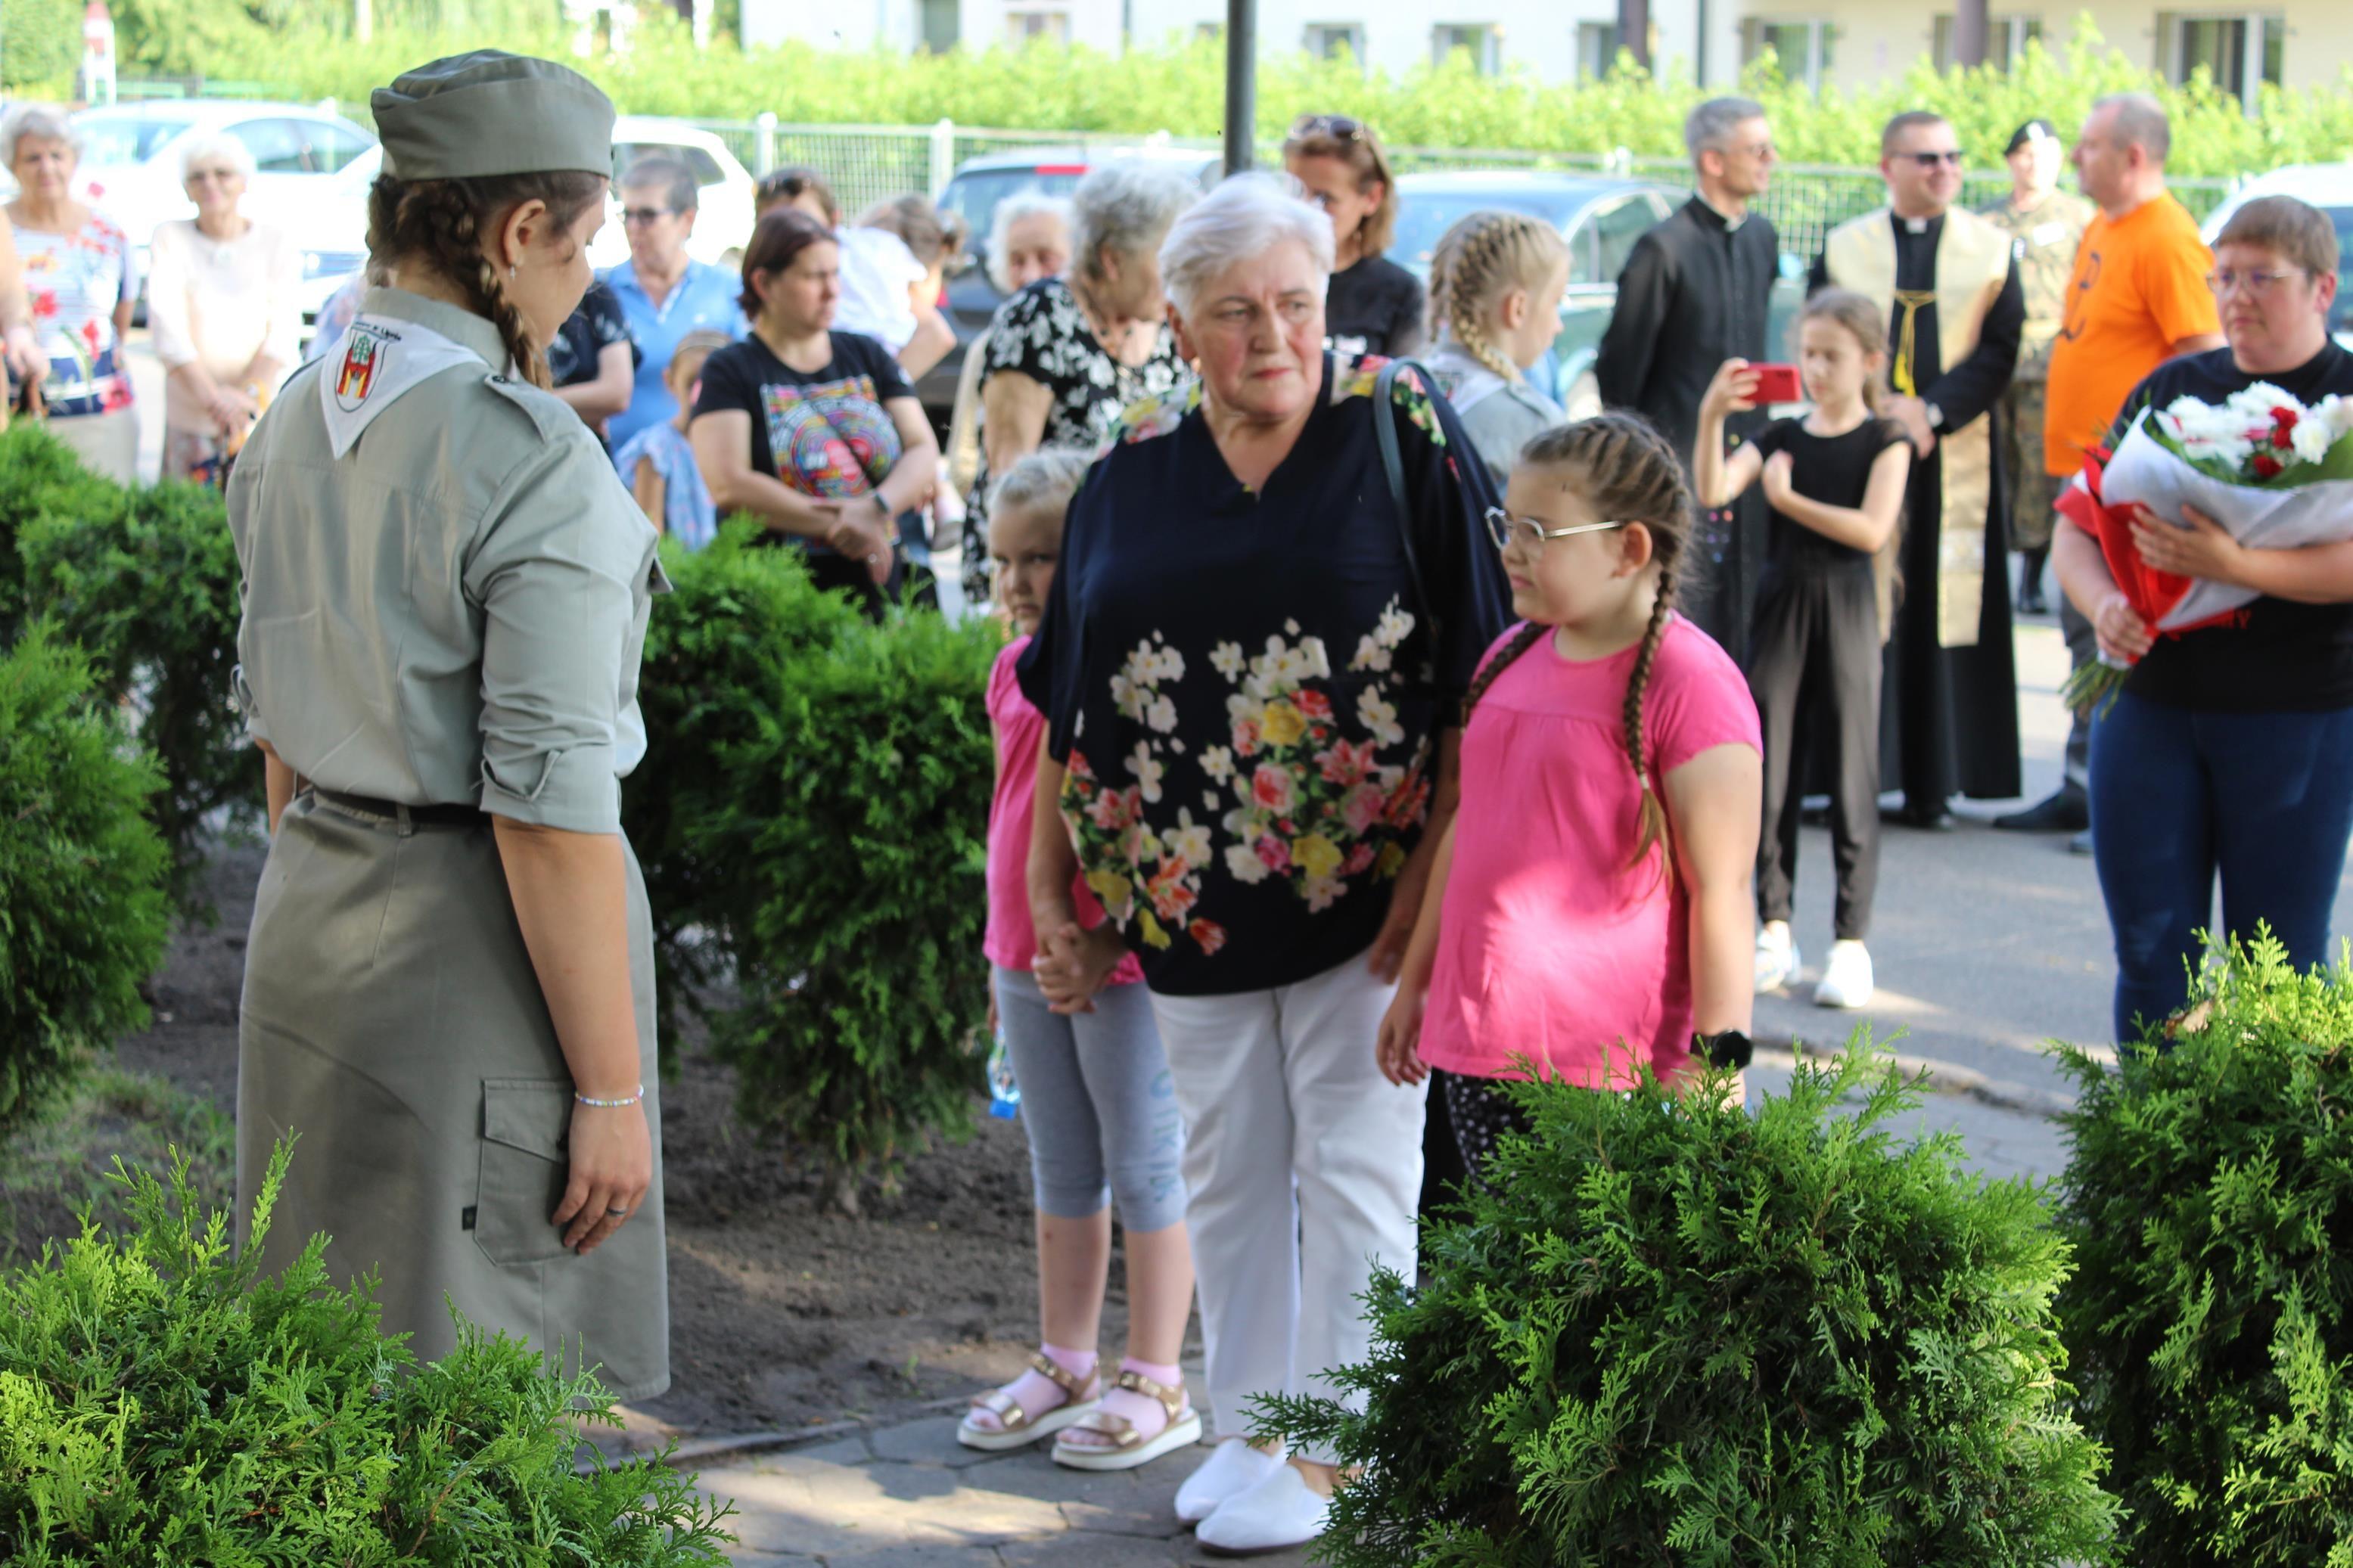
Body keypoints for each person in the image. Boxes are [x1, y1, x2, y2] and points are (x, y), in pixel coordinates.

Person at [1018, 174, 1509, 1554]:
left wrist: (1431, 887)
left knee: (1357, 1171)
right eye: (1236, 312)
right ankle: (1255, 1428)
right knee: (1229, 1166)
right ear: (1180, 322)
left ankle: (1349, 1454)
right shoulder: (1130, 469)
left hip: (1370, 898)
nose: (1274, 336)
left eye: (1296, 304)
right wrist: (1059, 896)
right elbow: (1070, 699)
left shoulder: (1398, 426)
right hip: (1186, 901)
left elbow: (1483, 674)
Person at [225, 51, 667, 1399]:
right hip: (473, 967)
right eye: (583, 239)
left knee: (318, 1399)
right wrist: (609, 1089)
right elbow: (546, 810)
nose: (585, 274)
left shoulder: (292, 417)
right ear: (516, 231)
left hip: (311, 929)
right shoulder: (529, 457)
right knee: (471, 1420)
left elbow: (281, 746)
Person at [1377, 413, 1763, 1176]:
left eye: (1536, 531)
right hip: (1479, 1046)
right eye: (1505, 522)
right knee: (1490, 1277)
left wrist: (1717, 1065)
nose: (1508, 551)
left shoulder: (1691, 685)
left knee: (1584, 1285)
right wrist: (1414, 984)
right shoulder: (1505, 655)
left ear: (1629, 547)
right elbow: (1468, 831)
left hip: (1606, 1068)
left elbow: (1720, 891)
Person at [2051, 196, 2353, 1042]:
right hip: (2148, 704)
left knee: (2281, 967)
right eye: (2222, 277)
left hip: (2297, 712)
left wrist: (2235, 567)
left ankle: (2280, 1170)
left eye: (2262, 277)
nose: (2235, 297)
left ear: (2321, 287)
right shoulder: (2171, 387)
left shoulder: (2345, 400)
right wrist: (2103, 605)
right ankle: (2152, 1160)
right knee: (2152, 957)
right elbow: (2073, 528)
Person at [956, 448, 1199, 1473]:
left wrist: (1106, 939)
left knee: (1145, 1166)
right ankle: (1066, 1359)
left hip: (1117, 968)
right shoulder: (1010, 669)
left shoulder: (1124, 674)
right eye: (1005, 559)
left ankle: (1158, 1375)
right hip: (1020, 948)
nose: (1019, 581)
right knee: (1060, 1164)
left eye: (1044, 557)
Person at [2007, 94, 2223, 847]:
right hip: (2082, 470)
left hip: (2129, 484)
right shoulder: (2103, 225)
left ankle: (2122, 799)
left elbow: (2200, 355)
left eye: (2090, 146)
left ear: (2132, 157)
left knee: (2116, 637)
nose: (2073, 158)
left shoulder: (2165, 238)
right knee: (2082, 632)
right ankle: (2080, 785)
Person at [1696, 291, 1913, 1011]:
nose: (1816, 368)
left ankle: (1850, 941)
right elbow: (1713, 487)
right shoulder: (1782, 432)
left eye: (1832, 355)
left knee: (1854, 771)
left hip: (1848, 602)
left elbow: (1872, 530)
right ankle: (1775, 926)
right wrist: (1713, 415)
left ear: (1870, 361)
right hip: (1782, 602)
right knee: (1769, 770)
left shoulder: (1887, 438)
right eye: (1808, 353)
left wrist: (1788, 504)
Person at [1811, 110, 2025, 831]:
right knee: (1856, 603)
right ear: (1888, 166)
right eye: (1927, 158)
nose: (1944, 170)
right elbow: (1822, 335)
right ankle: (1848, 777)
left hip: (1949, 454)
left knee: (1939, 607)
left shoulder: (1992, 250)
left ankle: (1934, 781)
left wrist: (1928, 413)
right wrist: (1872, 410)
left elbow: (2001, 350)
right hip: (1861, 449)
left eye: (1954, 158)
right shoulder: (1845, 248)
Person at [962, 162, 1195, 607]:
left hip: (1125, 567)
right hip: (1042, 573)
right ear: (1112, 260)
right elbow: (1010, 470)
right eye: (1166, 259)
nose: (1177, 276)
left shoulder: (1163, 326)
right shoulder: (1039, 315)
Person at [1597, 97, 1782, 658]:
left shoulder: (1762, 237)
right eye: (1758, 149)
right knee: (1686, 610)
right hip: (1678, 464)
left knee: (1747, 607)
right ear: (1713, 161)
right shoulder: (1664, 248)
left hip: (1745, 461)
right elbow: (1621, 369)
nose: (1771, 160)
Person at [690, 207, 940, 619]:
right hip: (777, 598)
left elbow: (922, 447)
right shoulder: (730, 369)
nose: (832, 291)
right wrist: (846, 522)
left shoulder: (866, 354)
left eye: (835, 274)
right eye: (813, 277)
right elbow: (729, 484)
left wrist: (875, 510)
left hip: (879, 589)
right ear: (764, 283)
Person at [1978, 119, 2094, 619]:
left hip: (2049, 362)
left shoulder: (2079, 218)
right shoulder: (1986, 222)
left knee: (2038, 473)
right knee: (1993, 467)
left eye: (2043, 154)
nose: (2033, 164)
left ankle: (2031, 575)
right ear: (2010, 161)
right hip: (1994, 360)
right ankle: (1994, 574)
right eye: (2024, 154)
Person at [146, 132, 303, 485]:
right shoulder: (170, 238)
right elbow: (168, 331)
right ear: (186, 189)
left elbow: (283, 329)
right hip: (193, 417)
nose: (210, 183)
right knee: (189, 527)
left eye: (222, 173)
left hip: (256, 416)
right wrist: (217, 402)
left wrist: (245, 397)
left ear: (244, 182)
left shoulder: (276, 241)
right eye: (198, 176)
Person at [3, 104, 139, 480]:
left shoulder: (107, 231)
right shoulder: (4, 230)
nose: (46, 167)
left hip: (101, 408)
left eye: (56, 156)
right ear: (13, 166)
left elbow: (122, 313)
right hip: (20, 411)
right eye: (32, 158)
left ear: (74, 160)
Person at [943, 191, 1074, 543]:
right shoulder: (988, 346)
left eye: (1047, 258)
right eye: (1016, 260)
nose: (1031, 273)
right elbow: (964, 456)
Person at [758, 167, 956, 383]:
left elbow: (935, 335)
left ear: (833, 222)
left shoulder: (863, 262)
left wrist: (874, 397)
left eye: (803, 222)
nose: (789, 236)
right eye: (774, 225)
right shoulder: (757, 280)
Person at [605, 154, 746, 452]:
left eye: (647, 215)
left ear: (687, 219)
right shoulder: (601, 293)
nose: (633, 226)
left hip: (699, 477)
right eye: (626, 214)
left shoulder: (726, 289)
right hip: (612, 472)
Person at [1422, 209, 1570, 483]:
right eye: (1555, 303)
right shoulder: (1535, 424)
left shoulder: (1399, 384)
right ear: (1518, 308)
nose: (1558, 325)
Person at [1282, 114, 1423, 358]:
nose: (1306, 210)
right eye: (1295, 193)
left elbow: (1404, 386)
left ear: (1372, 198)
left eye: (1324, 199)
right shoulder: (1265, 276)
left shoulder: (1399, 292)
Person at [613, 328, 726, 550]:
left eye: (715, 385)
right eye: (691, 383)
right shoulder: (656, 449)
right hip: (678, 577)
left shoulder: (739, 447)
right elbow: (649, 533)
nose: (701, 395)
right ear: (670, 381)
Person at [545, 275, 636, 446]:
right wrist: (584, 405)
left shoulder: (595, 294)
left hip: (583, 442)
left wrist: (534, 403)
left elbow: (616, 394)